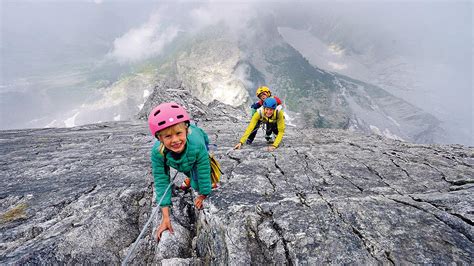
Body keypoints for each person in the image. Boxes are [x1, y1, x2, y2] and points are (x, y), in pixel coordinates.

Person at [148, 102, 212, 241]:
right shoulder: (158, 153)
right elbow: (161, 181)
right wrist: (166, 217)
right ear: (159, 138)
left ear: (186, 131)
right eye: (168, 136)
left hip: (200, 144)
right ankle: (190, 178)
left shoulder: (197, 144)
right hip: (185, 156)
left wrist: (203, 194)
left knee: (196, 177)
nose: (175, 140)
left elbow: (203, 170)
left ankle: (191, 180)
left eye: (178, 133)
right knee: (187, 166)